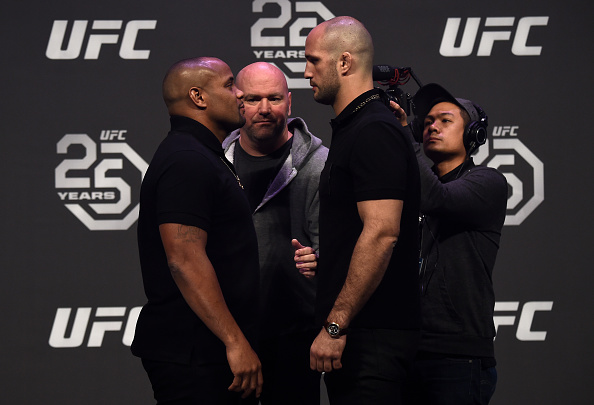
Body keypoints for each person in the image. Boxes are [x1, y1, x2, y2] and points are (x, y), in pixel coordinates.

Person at [304, 16, 422, 404]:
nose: (306, 72)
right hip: (362, 338)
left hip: (373, 341)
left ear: (344, 63)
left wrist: (335, 327)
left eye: (313, 60)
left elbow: (383, 233)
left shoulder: (373, 130)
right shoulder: (356, 128)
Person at [131, 57, 263, 404]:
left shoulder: (202, 155)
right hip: (195, 355)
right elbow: (184, 259)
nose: (241, 94)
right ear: (198, 97)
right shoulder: (187, 160)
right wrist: (235, 342)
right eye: (229, 85)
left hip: (205, 351)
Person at [390, 83, 508, 404]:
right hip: (407, 352)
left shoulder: (489, 182)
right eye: (426, 123)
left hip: (458, 357)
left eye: (445, 120)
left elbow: (436, 198)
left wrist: (402, 136)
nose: (432, 127)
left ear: (473, 135)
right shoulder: (409, 191)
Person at [222, 61, 327, 405]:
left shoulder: (321, 163)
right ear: (236, 101)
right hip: (227, 330)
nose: (264, 109)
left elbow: (335, 247)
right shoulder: (213, 163)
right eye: (252, 99)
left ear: (290, 102)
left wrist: (320, 258)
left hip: (295, 331)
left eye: (274, 98)